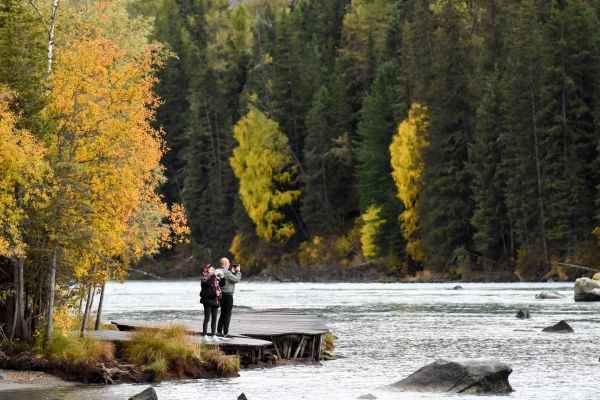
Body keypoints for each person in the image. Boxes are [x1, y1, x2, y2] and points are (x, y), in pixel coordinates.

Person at [216, 257, 242, 338]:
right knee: (227, 314)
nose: (230, 264)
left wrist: (232, 272)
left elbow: (226, 280)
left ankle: (219, 331)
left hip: (220, 295)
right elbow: (236, 279)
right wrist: (238, 271)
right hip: (228, 296)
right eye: (229, 263)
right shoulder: (226, 272)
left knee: (222, 314)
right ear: (225, 264)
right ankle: (226, 333)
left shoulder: (217, 271)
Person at [199, 264, 222, 342]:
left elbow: (222, 285)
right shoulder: (204, 278)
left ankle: (213, 335)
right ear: (207, 270)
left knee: (214, 319)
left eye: (213, 269)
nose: (212, 271)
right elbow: (208, 283)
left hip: (215, 301)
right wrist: (214, 276)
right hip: (207, 301)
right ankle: (205, 335)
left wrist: (221, 276)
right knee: (207, 318)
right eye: (210, 269)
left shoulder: (216, 279)